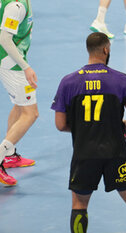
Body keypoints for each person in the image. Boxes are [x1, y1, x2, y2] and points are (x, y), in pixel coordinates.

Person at [51, 32, 126, 233]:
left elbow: (60, 124)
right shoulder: (122, 80)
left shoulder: (68, 82)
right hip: (116, 151)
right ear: (106, 50)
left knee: (79, 206)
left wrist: (85, 127)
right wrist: (124, 126)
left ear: (88, 50)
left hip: (84, 153)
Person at [0, 0, 38, 186]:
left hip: (14, 60)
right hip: (12, 65)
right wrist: (26, 67)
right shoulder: (15, 7)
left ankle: (9, 154)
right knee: (31, 113)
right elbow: (4, 39)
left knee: (19, 105)